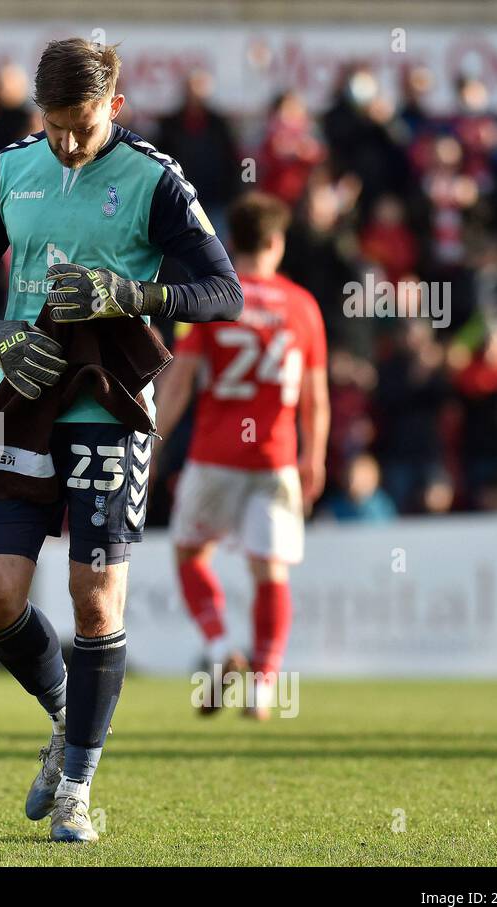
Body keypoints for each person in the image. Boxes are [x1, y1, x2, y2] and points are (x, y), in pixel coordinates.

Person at [0, 38, 242, 841]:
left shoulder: (154, 178)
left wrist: (130, 292)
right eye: (54, 125)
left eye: (80, 125)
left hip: (109, 405)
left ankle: (76, 787)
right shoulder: (8, 169)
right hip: (23, 391)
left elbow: (223, 291)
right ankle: (71, 716)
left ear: (115, 104)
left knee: (93, 600)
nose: (67, 142)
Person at [153, 192, 329, 721]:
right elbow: (316, 397)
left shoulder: (212, 302)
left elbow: (180, 382)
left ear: (232, 243)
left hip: (214, 455)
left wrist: (155, 443)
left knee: (189, 553)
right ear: (276, 242)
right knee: (270, 571)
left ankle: (220, 644)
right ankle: (264, 688)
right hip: (275, 459)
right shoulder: (302, 306)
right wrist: (314, 457)